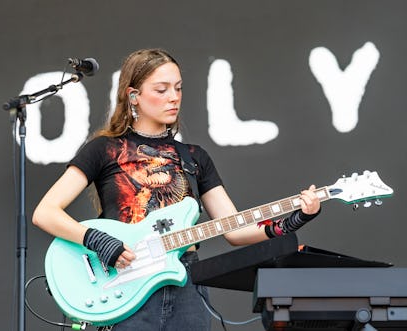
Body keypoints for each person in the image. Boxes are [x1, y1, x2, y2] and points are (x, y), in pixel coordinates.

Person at [32, 48, 321, 331]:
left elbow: (234, 229)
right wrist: (97, 240)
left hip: (186, 287)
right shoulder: (104, 149)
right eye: (161, 90)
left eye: (178, 89)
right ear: (134, 96)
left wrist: (294, 219)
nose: (173, 97)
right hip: (125, 283)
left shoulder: (195, 157)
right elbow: (45, 213)